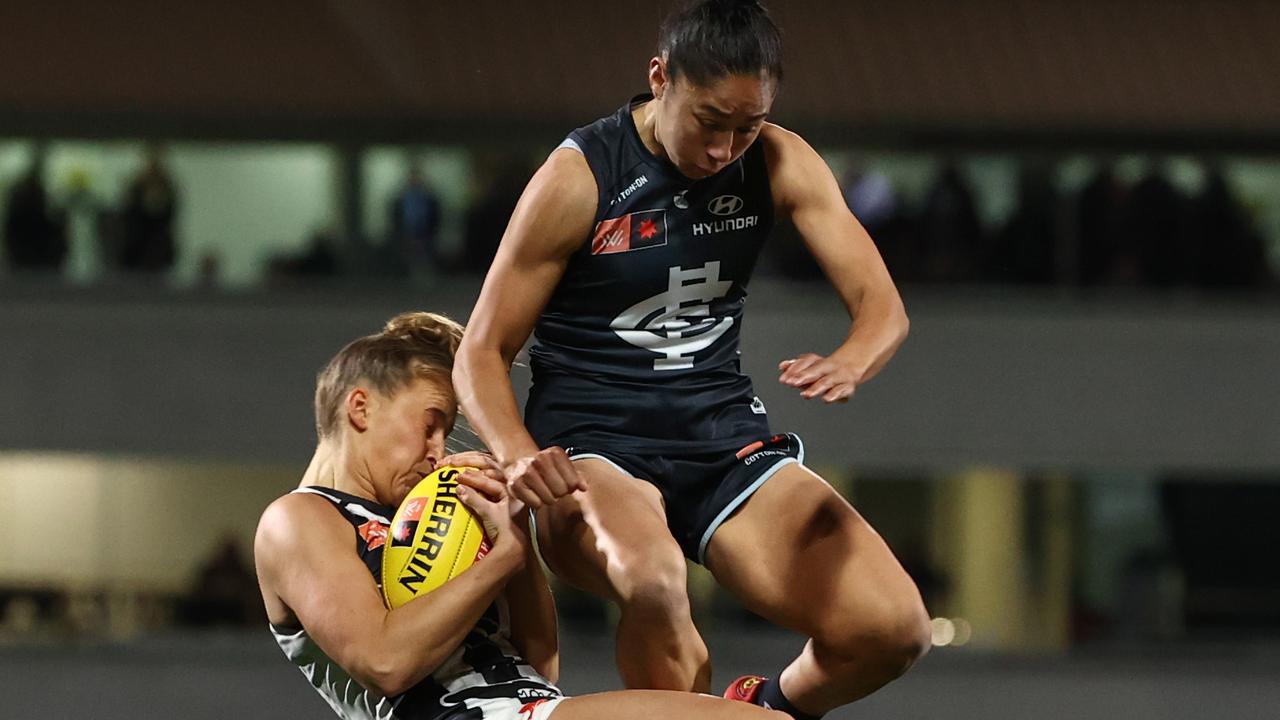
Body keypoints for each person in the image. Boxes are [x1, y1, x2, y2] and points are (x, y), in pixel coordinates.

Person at [451, 2, 931, 719]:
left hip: (718, 438)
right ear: (660, 77)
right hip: (594, 449)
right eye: (710, 122)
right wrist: (518, 453)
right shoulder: (580, 177)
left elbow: (882, 308)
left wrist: (854, 359)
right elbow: (481, 352)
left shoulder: (778, 159)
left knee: (891, 629)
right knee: (653, 580)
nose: (725, 149)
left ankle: (765, 707)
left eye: (748, 125)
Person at [254, 311, 786, 720]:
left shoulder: (425, 515)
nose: (439, 450)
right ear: (361, 407)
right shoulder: (298, 518)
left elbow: (539, 664)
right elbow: (385, 663)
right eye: (431, 423)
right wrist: (500, 560)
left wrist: (511, 528)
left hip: (529, 707)